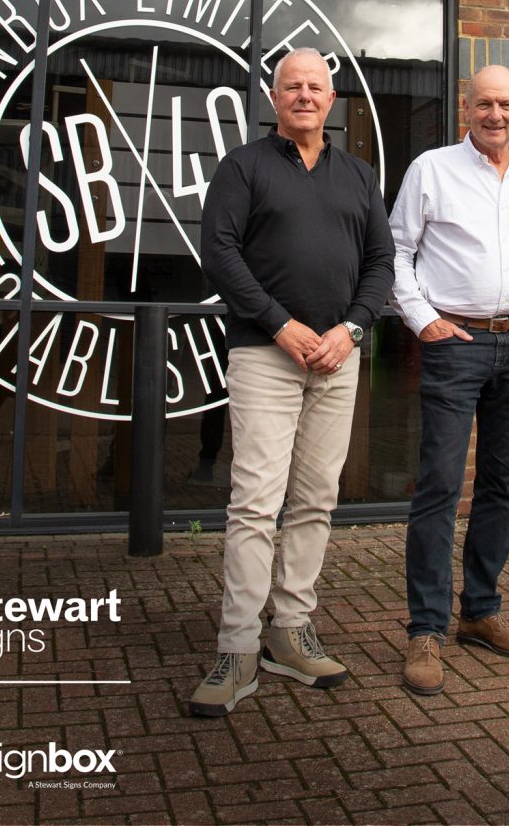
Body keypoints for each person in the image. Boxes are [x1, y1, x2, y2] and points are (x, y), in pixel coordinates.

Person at [189, 46, 395, 717]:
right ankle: (237, 644)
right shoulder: (243, 167)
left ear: (331, 100)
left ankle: (290, 629)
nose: (304, 95)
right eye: (291, 85)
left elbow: (381, 262)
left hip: (337, 358)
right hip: (265, 354)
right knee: (254, 501)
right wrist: (280, 324)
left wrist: (352, 328)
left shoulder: (359, 176)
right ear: (275, 97)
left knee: (313, 499)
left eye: (316, 86)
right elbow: (218, 252)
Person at [389, 64, 509, 695]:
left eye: (506, 104)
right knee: (438, 484)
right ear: (465, 108)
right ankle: (426, 629)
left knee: (500, 482)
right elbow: (398, 253)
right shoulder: (431, 169)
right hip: (454, 345)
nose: (494, 114)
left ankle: (481, 612)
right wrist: (424, 321)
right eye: (483, 104)